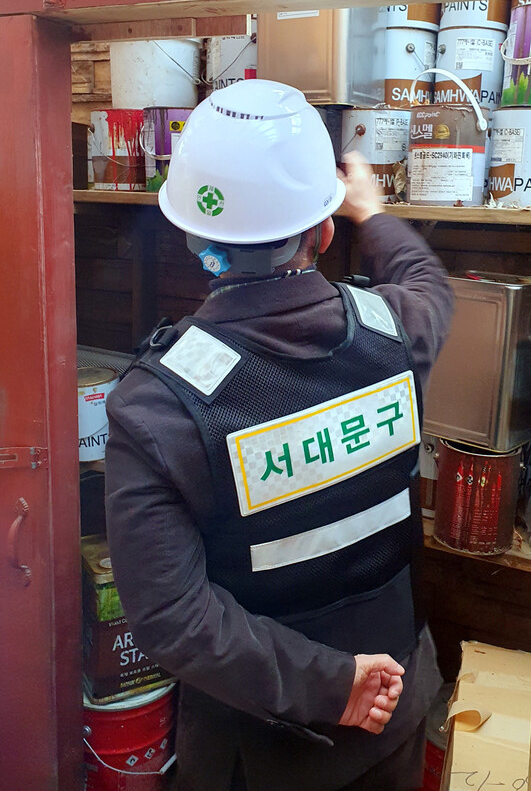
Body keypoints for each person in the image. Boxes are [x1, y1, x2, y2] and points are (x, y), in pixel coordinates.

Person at [104, 79, 454, 791]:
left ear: (194, 238)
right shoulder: (397, 327)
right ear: (323, 233)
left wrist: (334, 685)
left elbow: (173, 618)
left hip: (262, 754)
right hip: (397, 718)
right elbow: (427, 279)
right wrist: (370, 210)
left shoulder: (158, 405)